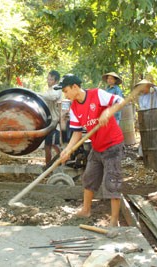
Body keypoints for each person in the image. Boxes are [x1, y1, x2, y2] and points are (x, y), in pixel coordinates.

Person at [55, 74, 124, 227]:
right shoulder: (74, 107)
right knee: (89, 177)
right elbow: (77, 132)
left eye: (65, 91)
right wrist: (67, 149)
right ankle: (86, 210)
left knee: (112, 181)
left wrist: (108, 111)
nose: (65, 95)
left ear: (74, 87)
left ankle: (114, 220)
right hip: (97, 146)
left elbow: (120, 101)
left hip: (112, 145)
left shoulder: (97, 94)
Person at [136, 79, 157, 157]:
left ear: (149, 86)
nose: (143, 89)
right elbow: (142, 108)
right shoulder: (141, 97)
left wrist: (155, 89)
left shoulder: (155, 93)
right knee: (146, 135)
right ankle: (143, 154)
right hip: (146, 118)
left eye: (144, 87)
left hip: (156, 116)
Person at [40, 70, 62, 166]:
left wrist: (35, 93)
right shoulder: (49, 90)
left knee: (54, 145)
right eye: (48, 79)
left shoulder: (57, 89)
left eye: (51, 79)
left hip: (56, 122)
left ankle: (62, 163)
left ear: (56, 81)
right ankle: (48, 166)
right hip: (50, 122)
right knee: (48, 146)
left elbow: (52, 97)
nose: (48, 81)